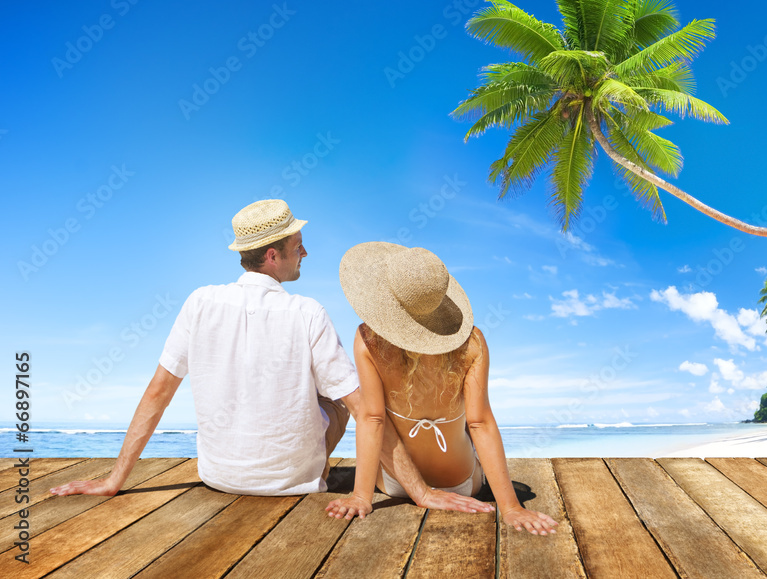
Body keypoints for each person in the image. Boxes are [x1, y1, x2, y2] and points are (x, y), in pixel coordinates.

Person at [52, 201, 492, 513]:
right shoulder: (307, 312)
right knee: (340, 399)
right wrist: (421, 492)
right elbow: (366, 414)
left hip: (218, 476)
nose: (305, 252)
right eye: (298, 245)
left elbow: (157, 394)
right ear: (272, 255)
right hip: (292, 484)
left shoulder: (199, 302)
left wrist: (114, 481)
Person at [326, 242, 558, 534]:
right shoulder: (472, 343)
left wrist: (361, 496)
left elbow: (372, 418)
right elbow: (480, 423)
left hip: (395, 485)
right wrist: (511, 508)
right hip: (461, 483)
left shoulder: (368, 339)